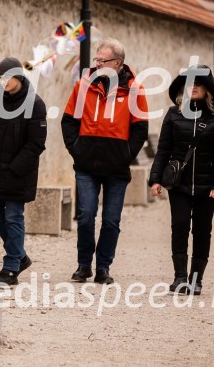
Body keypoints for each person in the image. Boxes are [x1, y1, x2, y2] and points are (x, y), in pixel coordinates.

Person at [62, 39, 148, 285]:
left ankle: (103, 267)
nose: (97, 64)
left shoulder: (134, 89)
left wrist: (125, 155)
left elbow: (140, 128)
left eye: (102, 60)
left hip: (117, 169)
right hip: (86, 166)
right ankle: (83, 265)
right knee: (86, 215)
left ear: (117, 63)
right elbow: (68, 121)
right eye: (96, 60)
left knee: (111, 220)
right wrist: (77, 150)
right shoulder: (83, 86)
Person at [149, 65, 214, 295]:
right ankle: (180, 278)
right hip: (179, 184)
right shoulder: (174, 114)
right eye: (190, 83)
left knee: (203, 231)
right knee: (180, 226)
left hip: (207, 187)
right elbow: (163, 150)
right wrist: (155, 179)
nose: (193, 87)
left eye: (199, 83)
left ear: (208, 89)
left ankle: (196, 280)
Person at [0, 57, 47, 286]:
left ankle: (10, 268)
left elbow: (35, 144)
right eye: (0, 78)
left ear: (19, 75)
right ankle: (21, 256)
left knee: (13, 217)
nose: (4, 82)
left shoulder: (35, 104)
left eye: (7, 77)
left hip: (18, 174)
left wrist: (15, 168)